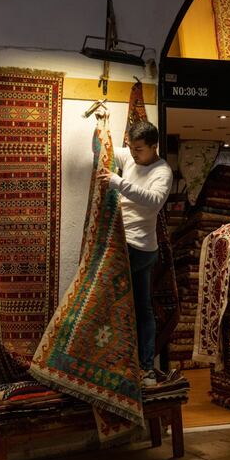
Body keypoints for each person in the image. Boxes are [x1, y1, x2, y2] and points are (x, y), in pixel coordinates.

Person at [97, 119, 173, 387]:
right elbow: (103, 149)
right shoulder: (131, 156)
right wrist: (102, 122)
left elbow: (154, 201)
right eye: (130, 147)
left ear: (154, 147)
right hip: (128, 244)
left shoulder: (162, 172)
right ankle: (143, 369)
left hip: (138, 248)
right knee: (141, 308)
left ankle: (124, 365)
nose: (132, 153)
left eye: (139, 149)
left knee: (108, 301)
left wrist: (119, 183)